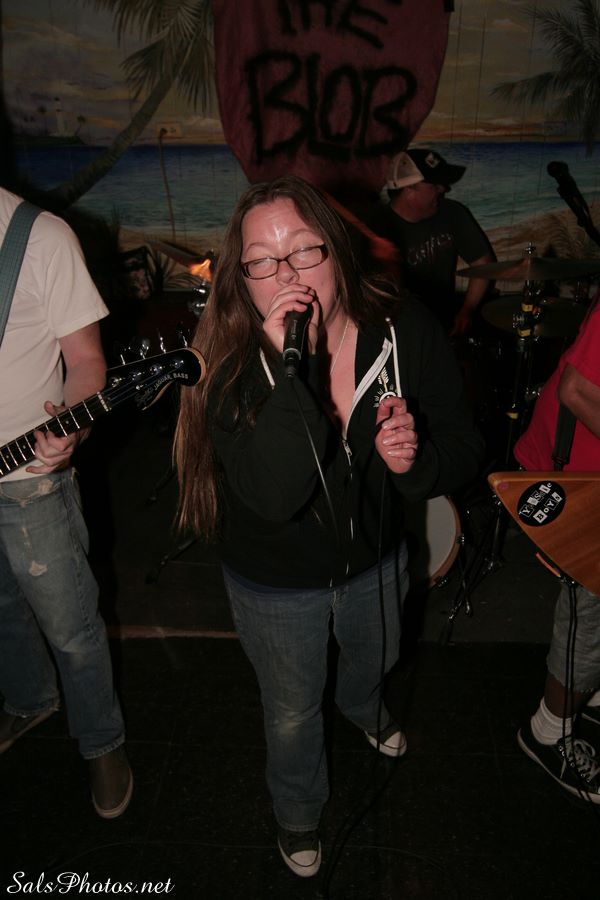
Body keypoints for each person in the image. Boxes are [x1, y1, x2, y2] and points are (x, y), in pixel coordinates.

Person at [174, 174, 483, 877]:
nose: (287, 274)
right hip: (276, 582)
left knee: (377, 657)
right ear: (241, 280)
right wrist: (293, 372)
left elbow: (465, 443)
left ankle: (363, 705)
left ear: (337, 250)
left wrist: (416, 463)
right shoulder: (229, 367)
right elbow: (275, 495)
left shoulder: (404, 331)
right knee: (291, 711)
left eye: (304, 249)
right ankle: (298, 811)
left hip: (377, 557)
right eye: (261, 261)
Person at [0, 186, 132, 818]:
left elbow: (86, 362)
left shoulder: (41, 237)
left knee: (71, 627)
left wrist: (70, 426)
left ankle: (103, 742)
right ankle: (30, 701)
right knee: (1, 611)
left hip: (29, 478)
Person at [513, 295, 600, 804]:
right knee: (590, 618)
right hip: (577, 478)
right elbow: (578, 390)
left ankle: (589, 694)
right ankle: (548, 733)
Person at [368, 147, 496, 336]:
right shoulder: (377, 229)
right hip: (400, 328)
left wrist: (467, 310)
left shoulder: (452, 212)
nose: (443, 189)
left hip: (444, 323)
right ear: (409, 190)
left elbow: (483, 264)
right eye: (434, 185)